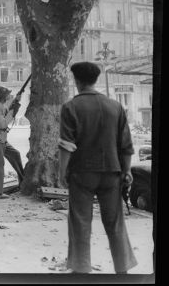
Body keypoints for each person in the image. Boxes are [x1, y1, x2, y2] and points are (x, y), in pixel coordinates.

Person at [59, 61, 137, 274]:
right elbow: (126, 146)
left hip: (82, 173)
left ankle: (81, 270)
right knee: (115, 223)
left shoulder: (71, 107)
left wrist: (61, 172)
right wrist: (127, 171)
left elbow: (67, 145)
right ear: (95, 80)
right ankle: (122, 270)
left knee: (80, 223)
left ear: (77, 81)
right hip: (112, 172)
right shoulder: (115, 106)